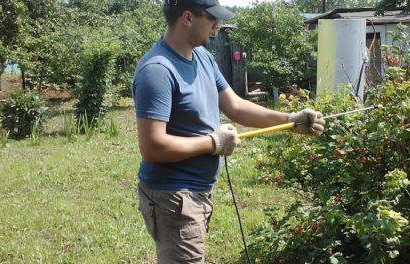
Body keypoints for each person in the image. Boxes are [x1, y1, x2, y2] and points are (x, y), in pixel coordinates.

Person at [132, 0, 326, 262]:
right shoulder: (157, 71)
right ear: (188, 18)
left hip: (196, 191)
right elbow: (152, 146)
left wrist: (291, 120)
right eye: (212, 19)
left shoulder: (203, 57)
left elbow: (235, 106)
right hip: (173, 196)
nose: (217, 26)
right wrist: (213, 143)